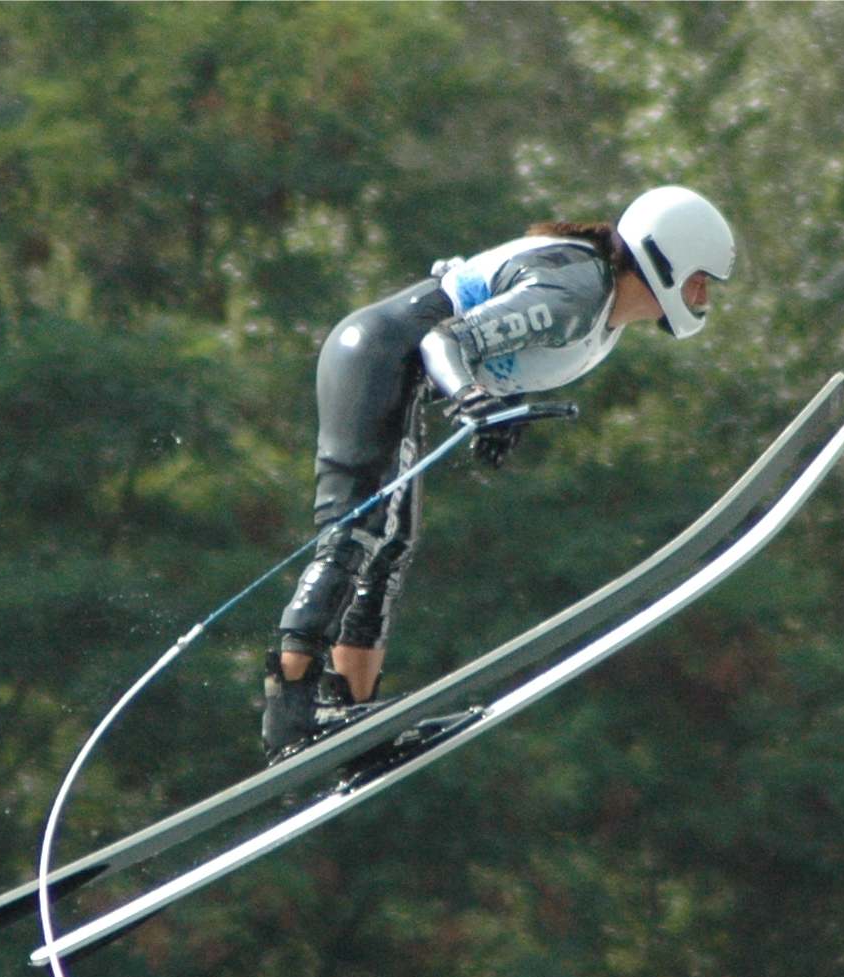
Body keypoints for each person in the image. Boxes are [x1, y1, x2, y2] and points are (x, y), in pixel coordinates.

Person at [260, 184, 736, 764]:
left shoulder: (600, 313)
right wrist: (472, 401)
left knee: (391, 545)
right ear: (669, 258)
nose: (704, 294)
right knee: (357, 533)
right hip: (377, 355)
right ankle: (290, 708)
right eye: (701, 277)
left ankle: (350, 712)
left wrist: (496, 407)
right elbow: (445, 339)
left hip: (399, 373)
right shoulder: (578, 296)